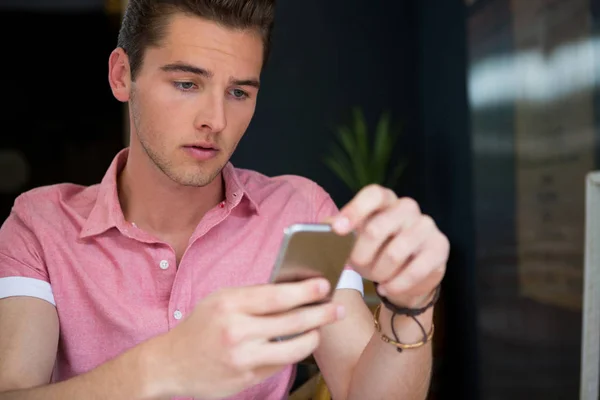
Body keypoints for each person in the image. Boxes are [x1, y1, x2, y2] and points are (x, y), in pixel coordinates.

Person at [0, 1, 449, 399]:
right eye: (186, 84)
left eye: (238, 92)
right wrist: (162, 366)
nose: (215, 120)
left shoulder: (299, 211)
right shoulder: (39, 225)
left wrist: (412, 304)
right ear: (122, 75)